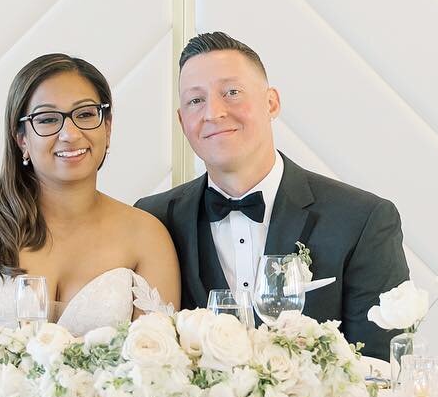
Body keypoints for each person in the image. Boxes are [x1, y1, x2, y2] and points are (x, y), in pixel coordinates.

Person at [136, 32, 408, 358]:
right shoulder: (152, 220)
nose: (214, 113)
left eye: (232, 92)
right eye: (196, 101)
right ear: (182, 121)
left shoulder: (362, 219)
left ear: (271, 102)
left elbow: (381, 368)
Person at [0, 53, 180, 342]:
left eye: (85, 115)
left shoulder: (146, 236)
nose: (70, 134)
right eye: (47, 119)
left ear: (107, 128)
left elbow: (157, 361)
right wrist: (7, 360)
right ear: (21, 138)